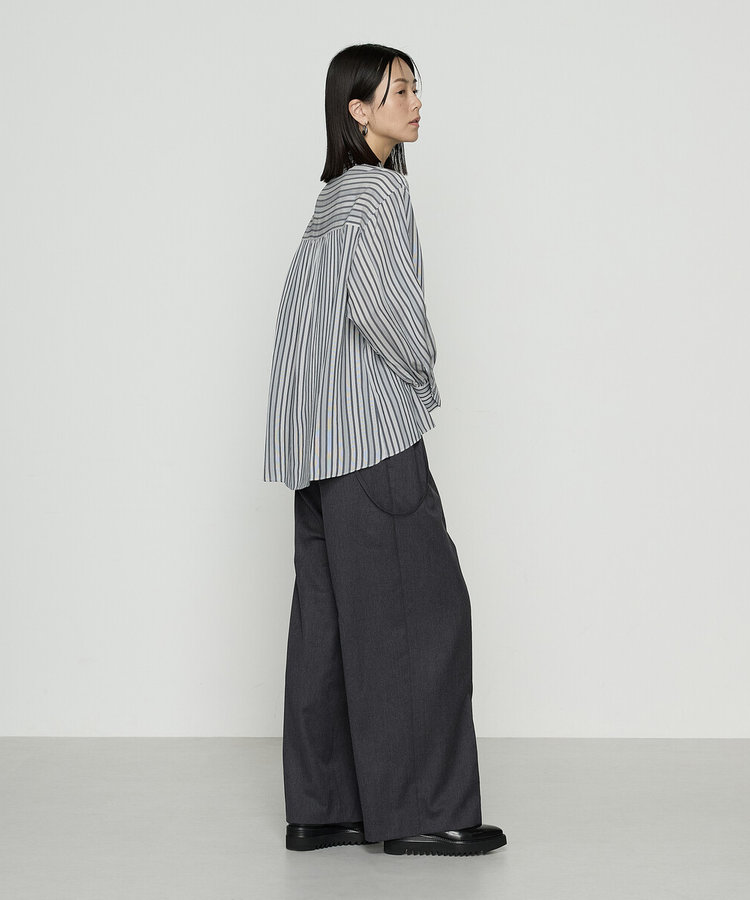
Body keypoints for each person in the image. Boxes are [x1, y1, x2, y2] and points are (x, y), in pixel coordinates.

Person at [263, 43, 507, 857]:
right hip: (372, 441)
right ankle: (421, 812)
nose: (415, 102)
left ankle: (327, 806)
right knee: (421, 614)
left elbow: (303, 322)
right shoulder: (378, 193)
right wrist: (425, 371)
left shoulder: (330, 201)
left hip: (318, 448)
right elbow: (383, 308)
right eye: (399, 90)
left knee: (331, 627)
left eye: (415, 88)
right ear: (357, 110)